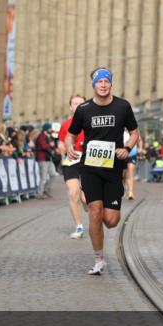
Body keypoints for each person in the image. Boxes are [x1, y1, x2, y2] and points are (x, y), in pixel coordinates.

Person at [66, 68, 138, 275]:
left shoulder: (122, 106)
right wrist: (70, 146)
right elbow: (71, 134)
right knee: (96, 214)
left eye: (107, 81)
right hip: (90, 167)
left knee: (111, 220)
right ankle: (98, 259)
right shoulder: (84, 109)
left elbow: (134, 133)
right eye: (100, 82)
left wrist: (127, 148)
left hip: (114, 168)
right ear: (94, 85)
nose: (103, 85)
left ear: (111, 84)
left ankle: (96, 207)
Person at [58, 94, 87, 239]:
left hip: (88, 161)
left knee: (86, 197)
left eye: (81, 103)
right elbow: (60, 142)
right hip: (71, 161)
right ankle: (79, 227)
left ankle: (86, 199)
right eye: (75, 103)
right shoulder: (65, 125)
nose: (78, 106)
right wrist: (62, 147)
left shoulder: (91, 123)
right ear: (71, 107)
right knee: (73, 193)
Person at [35, 122, 56, 198]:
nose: (51, 130)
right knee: (43, 177)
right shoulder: (41, 136)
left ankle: (46, 190)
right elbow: (44, 146)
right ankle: (39, 193)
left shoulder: (48, 136)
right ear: (46, 129)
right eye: (50, 128)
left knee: (53, 174)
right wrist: (50, 145)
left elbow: (51, 145)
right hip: (42, 158)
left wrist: (53, 146)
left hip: (48, 158)